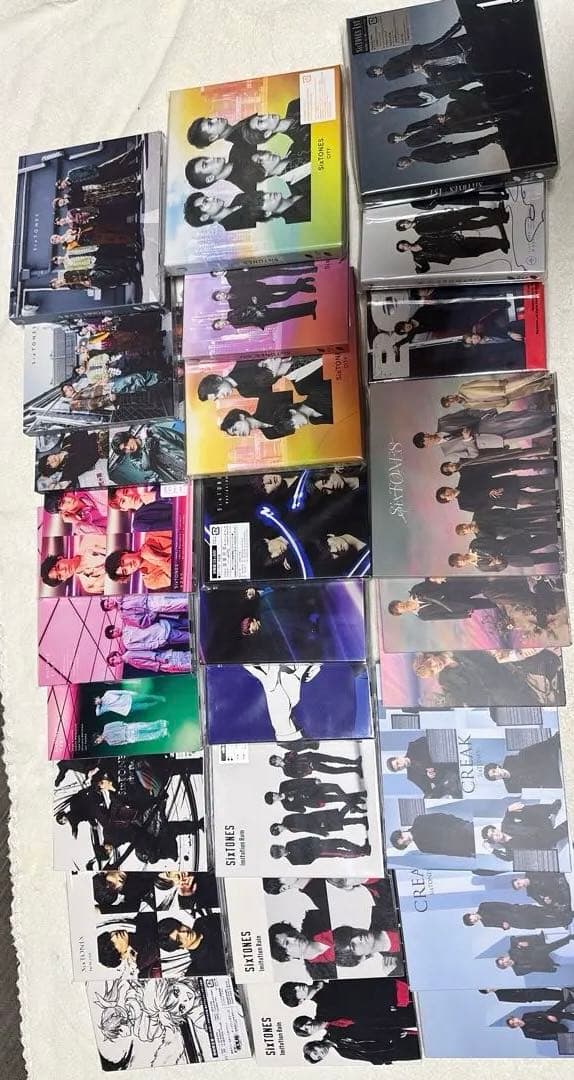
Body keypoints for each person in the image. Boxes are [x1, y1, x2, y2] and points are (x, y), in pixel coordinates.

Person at [413, 649, 560, 707]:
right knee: (504, 697)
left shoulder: (454, 647)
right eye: (432, 670)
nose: (435, 666)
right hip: (493, 690)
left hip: (500, 665)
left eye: (430, 663)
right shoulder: (446, 679)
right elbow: (470, 698)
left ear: (429, 655)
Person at [482, 800, 568, 860]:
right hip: (544, 840)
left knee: (518, 810)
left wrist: (508, 809)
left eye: (493, 831)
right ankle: (562, 826)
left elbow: (508, 815)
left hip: (540, 826)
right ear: (494, 841)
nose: (495, 834)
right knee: (556, 833)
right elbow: (508, 858)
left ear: (496, 829)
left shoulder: (505, 826)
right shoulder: (509, 849)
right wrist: (492, 850)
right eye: (492, 837)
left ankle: (551, 809)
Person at [388, 577, 498, 621]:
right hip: (458, 605)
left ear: (400, 601)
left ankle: (502, 585)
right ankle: (502, 601)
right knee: (491, 603)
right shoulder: (422, 616)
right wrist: (462, 614)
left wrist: (433, 579)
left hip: (455, 590)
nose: (402, 606)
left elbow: (430, 582)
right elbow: (444, 616)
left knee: (485, 586)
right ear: (401, 613)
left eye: (399, 605)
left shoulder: (415, 591)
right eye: (399, 609)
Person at [386, 735, 462, 799]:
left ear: (398, 757)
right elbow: (428, 791)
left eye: (398, 763)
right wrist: (429, 776)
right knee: (432, 795)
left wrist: (430, 765)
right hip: (446, 778)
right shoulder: (412, 776)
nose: (401, 766)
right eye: (399, 768)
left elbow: (431, 739)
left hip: (449, 759)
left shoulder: (413, 747)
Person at [483, 732, 562, 792]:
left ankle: (552, 742)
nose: (497, 774)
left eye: (494, 771)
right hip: (545, 779)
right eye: (494, 777)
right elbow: (533, 789)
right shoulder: (510, 788)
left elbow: (528, 760)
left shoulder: (508, 760)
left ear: (497, 767)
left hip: (542, 763)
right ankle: (552, 744)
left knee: (523, 753)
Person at [268, 917, 337, 980]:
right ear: (288, 957)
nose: (294, 938)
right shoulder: (321, 975)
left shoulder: (323, 923)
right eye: (287, 943)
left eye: (290, 934)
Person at [395, 132, 502, 171]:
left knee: (471, 147)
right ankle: (493, 138)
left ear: (404, 159)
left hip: (448, 152)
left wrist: (448, 154)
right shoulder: (416, 158)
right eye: (404, 166)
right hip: (448, 152)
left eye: (403, 163)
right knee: (471, 147)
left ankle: (494, 137)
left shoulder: (415, 155)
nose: (405, 164)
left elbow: (432, 152)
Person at [441, 373, 552, 410]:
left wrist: (498, 383)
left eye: (449, 399)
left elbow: (480, 383)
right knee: (526, 391)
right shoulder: (466, 405)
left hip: (500, 389)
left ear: (449, 395)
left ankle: (544, 373)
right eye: (450, 403)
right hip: (502, 399)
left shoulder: (463, 388)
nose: (452, 400)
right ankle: (547, 382)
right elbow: (484, 406)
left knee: (524, 381)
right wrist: (500, 404)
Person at [157, 915, 226, 975]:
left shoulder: (202, 922)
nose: (185, 933)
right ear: (180, 947)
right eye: (178, 938)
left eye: (179, 928)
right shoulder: (203, 965)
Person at [105, 531, 172, 591]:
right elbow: (176, 576)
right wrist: (156, 559)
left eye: (123, 562)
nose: (128, 565)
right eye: (125, 571)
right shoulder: (151, 581)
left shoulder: (152, 535)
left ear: (124, 553)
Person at [40, 534, 107, 593]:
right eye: (60, 576)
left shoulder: (88, 540)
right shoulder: (89, 586)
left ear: (60, 558)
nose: (64, 571)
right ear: (63, 580)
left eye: (58, 567)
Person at [390, 812, 475, 858]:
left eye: (402, 837)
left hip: (465, 829)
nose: (405, 840)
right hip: (465, 846)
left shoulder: (419, 821)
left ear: (402, 832)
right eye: (404, 843)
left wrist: (463, 824)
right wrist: (467, 854)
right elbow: (445, 851)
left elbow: (442, 817)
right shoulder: (422, 847)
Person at [268, 778, 367, 814]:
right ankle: (358, 797)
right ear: (274, 802)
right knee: (337, 798)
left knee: (335, 787)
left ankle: (353, 806)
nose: (275, 795)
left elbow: (299, 781)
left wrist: (313, 780)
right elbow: (303, 810)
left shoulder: (283, 785)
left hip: (313, 788)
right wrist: (294, 801)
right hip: (314, 800)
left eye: (272, 794)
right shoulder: (287, 806)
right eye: (273, 798)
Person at [497, 932, 574, 976]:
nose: (505, 962)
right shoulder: (518, 971)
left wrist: (519, 943)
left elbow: (512, 938)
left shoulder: (512, 951)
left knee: (555, 946)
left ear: (504, 957)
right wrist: (549, 969)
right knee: (565, 959)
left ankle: (569, 938)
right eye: (503, 964)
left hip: (541, 949)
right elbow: (534, 969)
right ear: (505, 967)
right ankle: (568, 939)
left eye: (503, 960)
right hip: (546, 961)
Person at [463, 902, 568, 931]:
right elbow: (500, 926)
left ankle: (563, 911)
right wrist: (505, 926)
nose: (474, 920)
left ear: (471, 914)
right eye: (473, 922)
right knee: (542, 923)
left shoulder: (483, 906)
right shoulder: (486, 923)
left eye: (472, 918)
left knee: (541, 911)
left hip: (517, 911)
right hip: (518, 923)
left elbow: (499, 904)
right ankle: (563, 922)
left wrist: (514, 908)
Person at [271, 806, 368, 837]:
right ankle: (362, 820)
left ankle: (351, 805)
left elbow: (304, 819)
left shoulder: (287, 820)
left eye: (278, 829)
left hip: (317, 819)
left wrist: (320, 828)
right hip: (319, 825)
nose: (280, 830)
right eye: (279, 832)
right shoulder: (290, 830)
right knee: (341, 822)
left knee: (340, 817)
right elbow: (307, 829)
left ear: (277, 825)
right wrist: (320, 831)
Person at [270, 837, 371, 865]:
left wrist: (315, 840)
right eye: (280, 852)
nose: (282, 850)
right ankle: (362, 853)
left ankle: (361, 848)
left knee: (341, 842)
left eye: (280, 848)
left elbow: (303, 840)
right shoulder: (292, 861)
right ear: (280, 856)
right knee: (340, 853)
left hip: (319, 843)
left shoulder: (289, 844)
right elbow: (308, 861)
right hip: (319, 852)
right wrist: (314, 853)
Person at [269, 746, 363, 777]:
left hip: (311, 757)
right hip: (313, 766)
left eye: (276, 757)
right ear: (276, 765)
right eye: (276, 761)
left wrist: (287, 759)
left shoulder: (286, 755)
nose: (278, 759)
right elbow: (299, 775)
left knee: (333, 759)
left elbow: (294, 753)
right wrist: (309, 769)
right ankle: (355, 769)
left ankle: (355, 762)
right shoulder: (286, 772)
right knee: (334, 771)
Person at [100, 594, 189, 627]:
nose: (110, 603)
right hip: (150, 606)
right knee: (175, 604)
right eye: (108, 606)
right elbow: (140, 622)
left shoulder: (120, 596)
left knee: (177, 597)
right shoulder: (123, 615)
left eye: (108, 601)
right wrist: (151, 614)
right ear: (110, 609)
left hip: (151, 595)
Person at [93, 718, 168, 746]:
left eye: (97, 740)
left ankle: (162, 723)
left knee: (146, 726)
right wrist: (129, 741)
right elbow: (121, 743)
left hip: (128, 728)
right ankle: (163, 732)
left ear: (97, 736)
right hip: (129, 738)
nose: (98, 741)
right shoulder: (110, 742)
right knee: (148, 736)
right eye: (97, 742)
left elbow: (117, 723)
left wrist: (127, 725)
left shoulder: (106, 727)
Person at [93, 689, 167, 716]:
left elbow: (121, 692)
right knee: (145, 706)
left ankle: (160, 698)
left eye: (96, 700)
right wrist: (98, 705)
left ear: (97, 697)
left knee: (145, 696)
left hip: (130, 698)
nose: (96, 702)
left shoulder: (108, 693)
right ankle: (158, 703)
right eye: (95, 702)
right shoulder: (103, 707)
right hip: (128, 708)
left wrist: (132, 693)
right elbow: (97, 714)